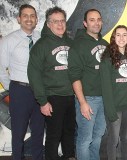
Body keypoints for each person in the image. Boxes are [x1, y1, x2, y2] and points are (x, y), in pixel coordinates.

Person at [27, 6, 76, 160]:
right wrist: (43, 101)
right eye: (56, 22)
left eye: (62, 21)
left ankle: (69, 156)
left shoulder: (71, 42)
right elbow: (33, 74)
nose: (60, 24)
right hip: (53, 97)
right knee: (54, 136)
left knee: (69, 132)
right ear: (48, 24)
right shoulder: (41, 46)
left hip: (72, 96)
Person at [0, 4, 44, 160]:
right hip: (20, 90)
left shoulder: (42, 38)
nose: (29, 19)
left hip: (40, 91)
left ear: (37, 19)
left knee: (39, 132)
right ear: (19, 19)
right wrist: (12, 88)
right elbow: (1, 69)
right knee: (18, 133)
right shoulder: (8, 40)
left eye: (32, 15)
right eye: (25, 15)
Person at [68, 9, 108, 160]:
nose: (96, 22)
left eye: (98, 19)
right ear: (85, 23)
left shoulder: (105, 44)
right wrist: (82, 102)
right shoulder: (78, 45)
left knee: (97, 136)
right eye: (92, 20)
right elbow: (74, 76)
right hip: (88, 99)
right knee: (85, 139)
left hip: (104, 100)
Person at [99, 25, 127, 160]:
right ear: (113, 38)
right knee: (113, 140)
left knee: (125, 138)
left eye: (124, 35)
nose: (121, 38)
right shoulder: (107, 58)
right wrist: (110, 111)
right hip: (114, 108)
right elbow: (106, 88)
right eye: (118, 35)